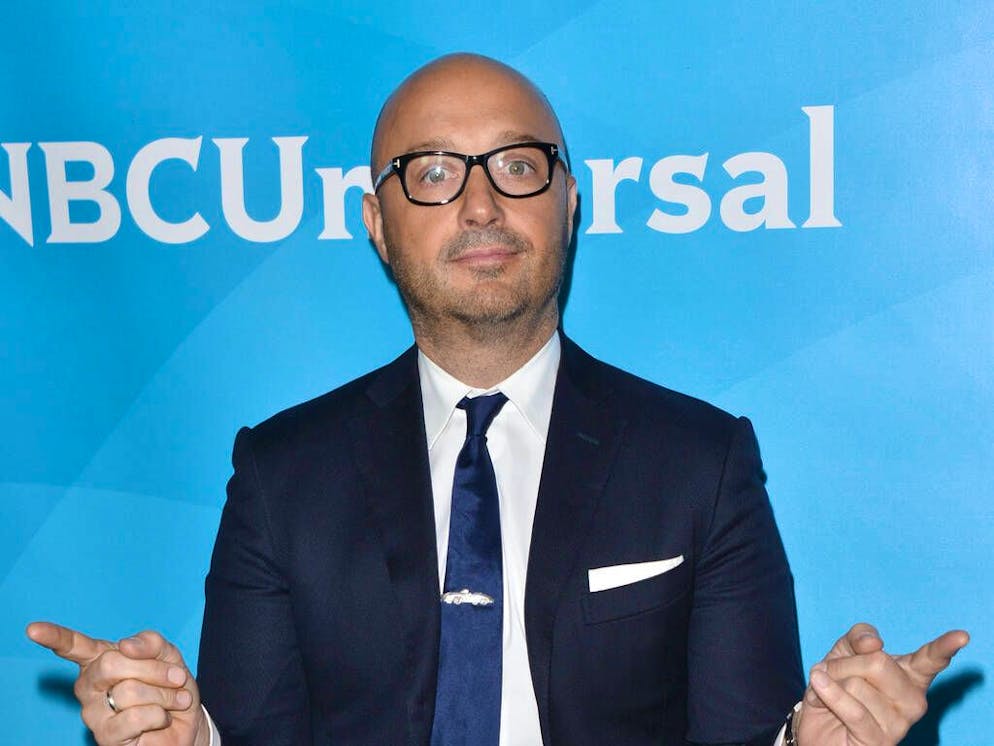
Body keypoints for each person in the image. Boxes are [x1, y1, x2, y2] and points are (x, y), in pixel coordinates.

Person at [28, 53, 968, 746]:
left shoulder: (700, 462)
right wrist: (187, 740)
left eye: (517, 165)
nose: (480, 206)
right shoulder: (281, 474)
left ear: (569, 202)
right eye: (433, 173)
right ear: (377, 224)